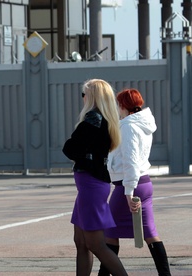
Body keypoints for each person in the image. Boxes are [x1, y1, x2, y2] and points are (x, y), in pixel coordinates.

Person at [99, 89, 171, 276]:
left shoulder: (128, 127)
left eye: (118, 104)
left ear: (122, 105)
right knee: (150, 234)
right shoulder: (142, 124)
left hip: (129, 186)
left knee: (110, 233)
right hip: (144, 183)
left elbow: (131, 160)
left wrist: (129, 192)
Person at [62, 79, 127, 276]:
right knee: (81, 242)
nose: (83, 98)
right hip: (89, 186)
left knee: (95, 244)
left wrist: (82, 155)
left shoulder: (94, 118)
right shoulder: (102, 119)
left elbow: (70, 148)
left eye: (85, 94)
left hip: (91, 185)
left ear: (93, 97)